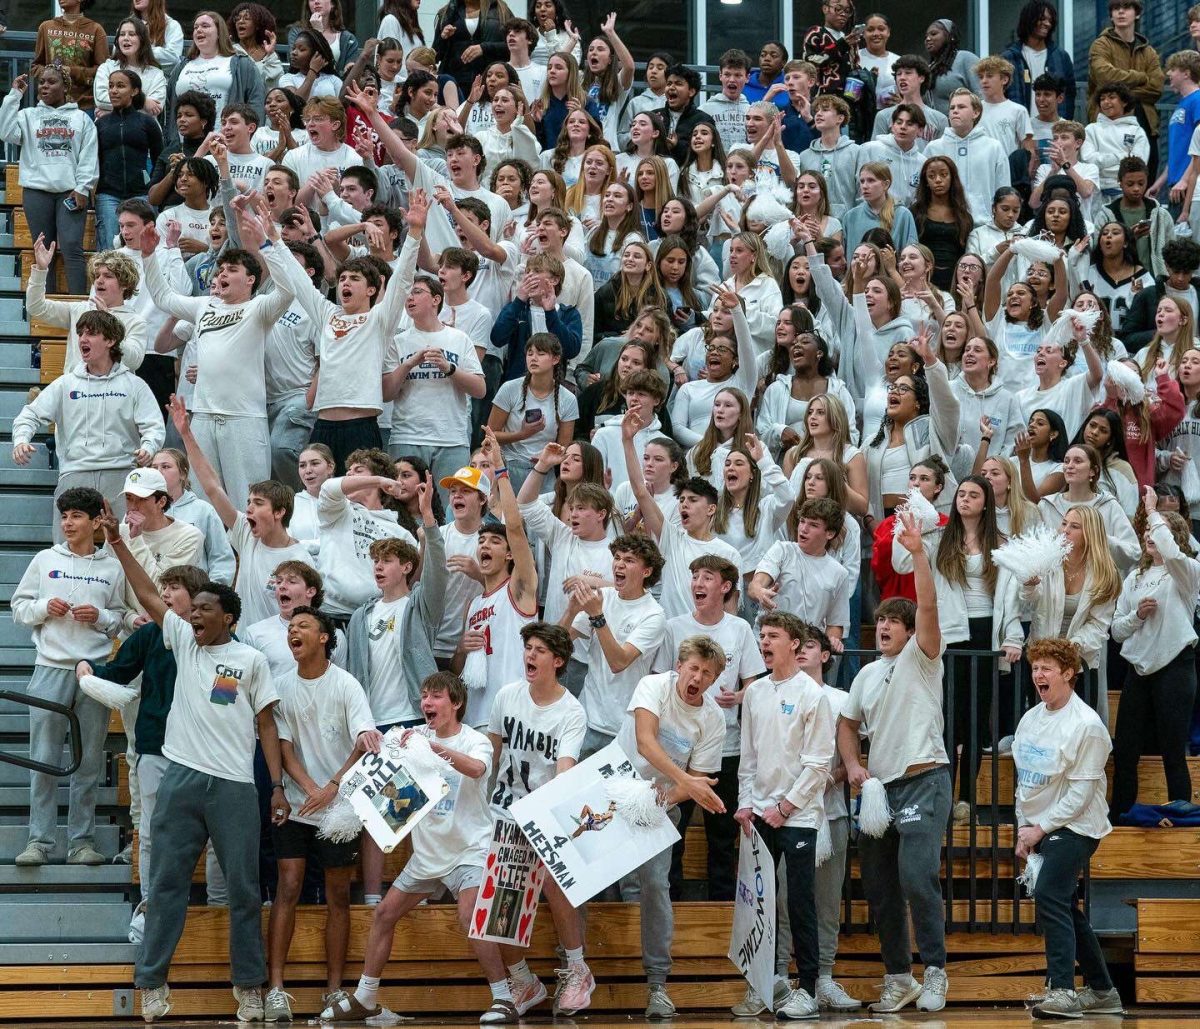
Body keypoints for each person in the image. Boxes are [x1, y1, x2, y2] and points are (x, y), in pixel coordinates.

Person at [102, 499, 287, 1025]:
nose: (193, 615)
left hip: (233, 786)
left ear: (227, 616)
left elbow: (266, 726)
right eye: (193, 609)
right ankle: (152, 985)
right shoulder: (181, 641)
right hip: (181, 777)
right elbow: (144, 592)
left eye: (205, 609)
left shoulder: (249, 660)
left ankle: (249, 990)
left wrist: (275, 786)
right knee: (165, 885)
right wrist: (118, 543)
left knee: (245, 891)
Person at [326, 671, 515, 1023]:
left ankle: (505, 997)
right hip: (427, 855)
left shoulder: (476, 740)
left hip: (469, 850)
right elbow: (378, 773)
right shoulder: (412, 738)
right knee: (383, 914)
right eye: (424, 695)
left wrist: (435, 749)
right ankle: (366, 997)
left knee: (470, 915)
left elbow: (476, 770)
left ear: (456, 703)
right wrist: (369, 740)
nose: (427, 702)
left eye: (436, 696)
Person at [839, 510, 951, 1014]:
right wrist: (855, 766)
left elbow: (926, 605)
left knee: (916, 876)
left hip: (924, 780)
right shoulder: (864, 674)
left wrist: (921, 554)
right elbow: (846, 724)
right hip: (879, 790)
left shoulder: (924, 657)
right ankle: (898, 977)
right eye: (880, 619)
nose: (883, 626)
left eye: (892, 622)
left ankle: (937, 975)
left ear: (910, 632)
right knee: (881, 889)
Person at [265, 606, 379, 1021]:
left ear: (325, 637)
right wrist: (310, 787)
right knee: (288, 886)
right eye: (290, 627)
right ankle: (276, 988)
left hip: (341, 809)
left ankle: (334, 990)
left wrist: (332, 786)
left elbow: (362, 742)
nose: (293, 631)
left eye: (303, 626)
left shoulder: (347, 685)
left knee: (336, 896)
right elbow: (285, 748)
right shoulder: (281, 687)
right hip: (297, 804)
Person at [83, 563, 208, 940]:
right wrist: (87, 668)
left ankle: (217, 908)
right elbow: (117, 672)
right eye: (163, 587)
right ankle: (150, 906)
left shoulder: (222, 641)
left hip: (205, 752)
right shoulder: (150, 634)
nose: (166, 594)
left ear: (197, 597)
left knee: (214, 837)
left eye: (174, 588)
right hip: (155, 744)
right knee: (153, 830)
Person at [260, 186, 424, 469]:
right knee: (321, 499)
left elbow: (403, 280)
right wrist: (274, 240)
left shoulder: (379, 319)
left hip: (361, 425)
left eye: (355, 279)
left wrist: (416, 233)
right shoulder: (326, 312)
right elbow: (298, 279)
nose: (345, 283)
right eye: (343, 277)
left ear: (371, 289)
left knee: (362, 499)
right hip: (322, 426)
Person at [12, 488, 128, 867]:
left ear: (96, 522)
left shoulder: (112, 567)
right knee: (43, 759)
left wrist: (100, 617)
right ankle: (39, 842)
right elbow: (19, 608)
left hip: (93, 672)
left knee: (89, 761)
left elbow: (121, 618)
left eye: (76, 516)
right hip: (49, 668)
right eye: (64, 516)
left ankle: (82, 842)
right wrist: (45, 607)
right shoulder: (45, 559)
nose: (67, 523)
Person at [615, 636, 728, 1018]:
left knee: (657, 884)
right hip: (615, 787)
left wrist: (661, 798)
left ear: (713, 681)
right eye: (694, 667)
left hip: (663, 803)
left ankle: (657, 984)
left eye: (707, 673)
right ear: (680, 665)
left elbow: (696, 781)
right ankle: (576, 964)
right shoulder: (654, 685)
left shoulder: (713, 718)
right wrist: (686, 782)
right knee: (587, 879)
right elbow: (645, 742)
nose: (697, 676)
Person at [344, 477, 445, 903]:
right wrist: (359, 724)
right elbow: (350, 678)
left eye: (387, 559)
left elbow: (437, 570)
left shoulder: (421, 604)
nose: (379, 566)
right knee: (374, 815)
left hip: (413, 721)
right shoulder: (359, 616)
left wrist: (428, 523)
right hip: (374, 725)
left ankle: (421, 892)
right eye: (375, 561)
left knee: (418, 810)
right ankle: (371, 897)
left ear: (406, 566)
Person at [487, 623, 593, 1015]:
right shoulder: (506, 696)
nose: (530, 655)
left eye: (539, 650)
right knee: (498, 897)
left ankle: (578, 969)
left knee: (553, 879)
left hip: (546, 813)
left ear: (559, 660)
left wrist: (542, 819)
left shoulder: (571, 712)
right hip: (503, 811)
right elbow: (490, 755)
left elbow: (565, 772)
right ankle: (523, 981)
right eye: (527, 648)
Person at [1015, 637, 1123, 1020]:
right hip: (1042, 825)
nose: (1038, 675)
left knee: (1048, 894)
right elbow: (1024, 781)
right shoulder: (1030, 719)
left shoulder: (1088, 726)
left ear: (1068, 674)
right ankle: (1103, 991)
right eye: (1035, 667)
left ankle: (1062, 990)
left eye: (1046, 668)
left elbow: (1080, 794)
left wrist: (1040, 828)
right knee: (1061, 902)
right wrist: (1022, 827)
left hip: (1078, 825)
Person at [735, 613, 834, 1019]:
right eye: (762, 635)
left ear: (794, 644)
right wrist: (746, 803)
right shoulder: (755, 692)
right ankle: (763, 985)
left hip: (797, 816)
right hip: (759, 813)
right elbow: (748, 758)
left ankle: (807, 988)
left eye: (773, 635)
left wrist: (786, 806)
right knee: (759, 903)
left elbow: (819, 765)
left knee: (799, 903)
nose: (764, 641)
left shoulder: (813, 695)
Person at [171, 395, 317, 627]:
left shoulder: (300, 559)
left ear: (279, 513)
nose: (248, 508)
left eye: (258, 503)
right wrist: (187, 435)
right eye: (249, 502)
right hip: (247, 644)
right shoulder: (246, 534)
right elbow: (212, 488)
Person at [12, 309, 161, 533]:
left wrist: (149, 447)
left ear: (110, 340)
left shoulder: (134, 385)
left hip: (121, 474)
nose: (82, 339)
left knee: (130, 545)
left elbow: (154, 426)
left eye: (91, 333)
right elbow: (29, 415)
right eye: (80, 333)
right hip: (75, 472)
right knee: (66, 545)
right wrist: (21, 440)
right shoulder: (66, 384)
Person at [1110, 487, 1200, 821]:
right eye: (1147, 530)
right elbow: (1117, 631)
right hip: (1138, 669)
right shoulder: (1134, 577)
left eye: (1157, 529)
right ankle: (1119, 816)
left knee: (1173, 750)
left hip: (1175, 668)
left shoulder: (1186, 572)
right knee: (1126, 750)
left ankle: (1182, 820)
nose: (1150, 534)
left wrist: (1152, 511)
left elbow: (1173, 555)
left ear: (1174, 536)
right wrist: (1137, 617)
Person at [622, 410, 744, 620]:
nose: (684, 505)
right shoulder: (672, 539)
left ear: (711, 509)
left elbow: (730, 609)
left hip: (707, 643)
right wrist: (627, 440)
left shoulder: (729, 553)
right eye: (681, 500)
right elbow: (640, 491)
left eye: (693, 500)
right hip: (672, 636)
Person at [563, 534, 666, 756]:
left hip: (621, 728)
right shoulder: (603, 597)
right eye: (617, 557)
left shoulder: (654, 615)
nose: (619, 564)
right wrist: (571, 611)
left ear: (646, 572)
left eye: (629, 560)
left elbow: (619, 662)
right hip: (585, 718)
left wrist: (597, 617)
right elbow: (558, 645)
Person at [0, 69, 97, 295]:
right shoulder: (28, 115)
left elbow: (89, 157)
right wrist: (14, 95)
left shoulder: (81, 118)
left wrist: (83, 188)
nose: (44, 86)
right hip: (36, 192)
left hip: (70, 193)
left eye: (51, 82)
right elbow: (5, 132)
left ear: (65, 87)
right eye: (41, 82)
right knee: (43, 251)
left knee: (72, 247)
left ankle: (79, 308)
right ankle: (46, 308)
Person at [163, 11, 266, 147]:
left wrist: (249, 141)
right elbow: (170, 108)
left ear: (219, 32)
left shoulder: (241, 63)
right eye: (196, 27)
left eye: (205, 26)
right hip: (184, 145)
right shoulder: (181, 67)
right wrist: (171, 140)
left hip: (225, 143)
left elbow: (256, 103)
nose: (199, 29)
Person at [1087, 0, 1164, 180]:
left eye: (1126, 7)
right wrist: (1140, 77)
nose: (1120, 12)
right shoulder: (1101, 45)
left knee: (1144, 179)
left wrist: (1121, 93)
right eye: (1116, 8)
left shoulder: (1149, 51)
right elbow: (1105, 77)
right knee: (1109, 178)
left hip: (1144, 121)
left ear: (1137, 14)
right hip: (1106, 124)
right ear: (1111, 15)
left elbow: (1156, 87)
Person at [925, 88, 1011, 225]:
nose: (955, 111)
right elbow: (924, 189)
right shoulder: (933, 148)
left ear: (976, 113)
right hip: (944, 224)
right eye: (952, 107)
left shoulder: (993, 147)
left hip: (984, 224)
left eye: (961, 107)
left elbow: (1004, 190)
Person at [1001, 1, 1077, 118]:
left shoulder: (1061, 56)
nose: (1047, 24)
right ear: (1029, 20)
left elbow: (1070, 95)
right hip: (1019, 130)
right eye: (1042, 19)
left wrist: (1065, 124)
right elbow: (1001, 95)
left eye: (1050, 20)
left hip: (1055, 131)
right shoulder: (1010, 58)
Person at [31, 0, 109, 111]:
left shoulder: (95, 29)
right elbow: (36, 66)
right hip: (49, 106)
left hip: (83, 106)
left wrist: (72, 71)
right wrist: (51, 74)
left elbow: (103, 70)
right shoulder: (46, 27)